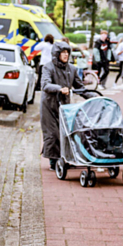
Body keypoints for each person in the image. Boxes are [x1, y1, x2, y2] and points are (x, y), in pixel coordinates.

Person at [41, 42, 84, 171]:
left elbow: (80, 87)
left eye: (67, 52)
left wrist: (94, 96)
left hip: (65, 105)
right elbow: (45, 85)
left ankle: (67, 158)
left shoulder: (72, 69)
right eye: (63, 52)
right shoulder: (48, 68)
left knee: (67, 132)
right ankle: (53, 161)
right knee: (52, 133)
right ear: (56, 54)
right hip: (49, 105)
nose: (66, 55)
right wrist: (59, 89)